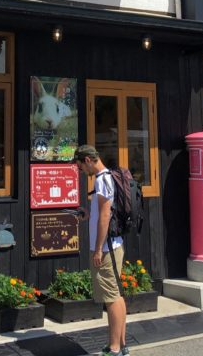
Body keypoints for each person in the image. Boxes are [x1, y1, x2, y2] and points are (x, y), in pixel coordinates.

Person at [74, 144, 127, 356]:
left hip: (106, 248)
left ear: (88, 160)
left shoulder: (102, 180)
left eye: (80, 167)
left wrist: (97, 249)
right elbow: (102, 213)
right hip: (113, 245)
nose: (81, 171)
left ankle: (114, 348)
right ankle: (120, 345)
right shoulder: (107, 179)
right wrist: (88, 215)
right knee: (117, 294)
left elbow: (106, 216)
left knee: (111, 298)